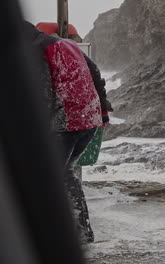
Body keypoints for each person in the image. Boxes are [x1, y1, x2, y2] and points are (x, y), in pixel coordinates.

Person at [23, 21, 111, 243]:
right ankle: (82, 231)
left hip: (64, 123)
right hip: (87, 120)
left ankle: (45, 238)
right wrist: (102, 111)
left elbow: (42, 92)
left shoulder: (35, 49)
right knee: (65, 174)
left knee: (43, 179)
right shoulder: (65, 43)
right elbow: (94, 72)